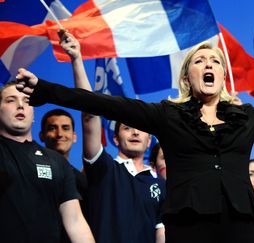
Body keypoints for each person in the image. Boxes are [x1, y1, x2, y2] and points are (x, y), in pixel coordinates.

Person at [16, 41, 254, 242]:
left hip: (239, 223)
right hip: (189, 223)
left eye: (215, 62)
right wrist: (45, 88)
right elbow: (101, 102)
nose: (209, 67)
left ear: (223, 76)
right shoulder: (167, 114)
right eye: (200, 62)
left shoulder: (246, 117)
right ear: (188, 76)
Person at [58, 32, 166, 243]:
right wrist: (77, 59)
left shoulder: (161, 185)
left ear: (149, 139)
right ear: (115, 139)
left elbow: (161, 233)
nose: (135, 132)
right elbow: (90, 115)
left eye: (141, 129)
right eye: (127, 128)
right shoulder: (103, 169)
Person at [0, 81, 94, 242]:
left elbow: (75, 222)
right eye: (11, 100)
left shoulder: (57, 161)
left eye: (27, 101)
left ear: (33, 113)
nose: (20, 105)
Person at [39, 108, 88, 206]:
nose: (60, 134)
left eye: (65, 128)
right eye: (52, 128)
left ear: (74, 137)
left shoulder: (83, 181)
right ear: (41, 136)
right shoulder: (32, 171)